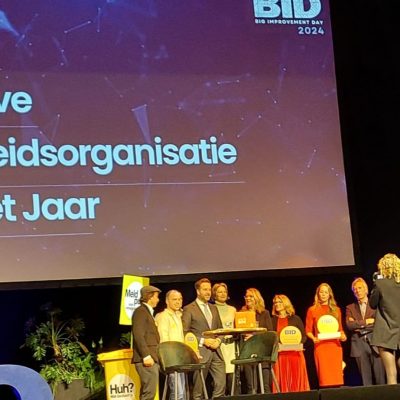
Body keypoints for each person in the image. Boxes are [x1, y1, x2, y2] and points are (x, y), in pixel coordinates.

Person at [182, 278, 226, 399]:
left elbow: (220, 329)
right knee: (198, 389)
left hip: (216, 351)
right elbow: (185, 333)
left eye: (209, 290)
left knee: (221, 384)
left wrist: (218, 340)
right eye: (205, 290)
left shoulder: (213, 308)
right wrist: (203, 341)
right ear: (198, 291)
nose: (208, 292)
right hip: (201, 352)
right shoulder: (189, 308)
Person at [305, 283, 347, 388]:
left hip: (335, 346)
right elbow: (308, 330)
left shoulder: (336, 310)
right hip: (321, 347)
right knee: (324, 379)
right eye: (321, 292)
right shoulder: (312, 310)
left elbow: (340, 329)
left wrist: (343, 336)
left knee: (336, 379)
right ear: (318, 294)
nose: (323, 294)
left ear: (329, 294)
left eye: (326, 292)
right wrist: (313, 338)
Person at [345, 277, 385, 385]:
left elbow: (378, 323)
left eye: (359, 288)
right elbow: (349, 325)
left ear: (366, 289)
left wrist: (358, 324)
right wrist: (367, 321)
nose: (357, 291)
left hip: (375, 342)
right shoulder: (350, 308)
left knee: (380, 378)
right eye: (355, 289)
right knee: (365, 380)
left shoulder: (375, 305)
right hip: (359, 345)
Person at [370, 253, 400, 384]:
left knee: (391, 373)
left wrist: (375, 283)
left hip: (385, 332)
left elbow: (372, 304)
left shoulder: (380, 283)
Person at [271, 294, 310, 392]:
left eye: (279, 302)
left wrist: (297, 344)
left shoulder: (295, 319)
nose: (277, 304)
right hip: (280, 356)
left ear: (286, 303)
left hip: (295, 355)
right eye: (275, 302)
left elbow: (304, 336)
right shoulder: (273, 320)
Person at [131, 285, 161, 400]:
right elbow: (138, 334)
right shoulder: (141, 311)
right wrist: (146, 355)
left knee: (149, 392)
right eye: (156, 297)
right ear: (150, 297)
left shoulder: (147, 312)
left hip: (151, 357)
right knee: (149, 393)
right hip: (147, 359)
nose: (158, 300)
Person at [155, 290, 186, 400]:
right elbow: (164, 340)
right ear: (167, 301)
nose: (178, 302)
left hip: (180, 359)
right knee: (178, 392)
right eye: (174, 299)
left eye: (180, 299)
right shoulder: (163, 316)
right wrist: (168, 359)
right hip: (171, 360)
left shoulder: (179, 316)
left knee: (182, 393)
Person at [241, 288, 273, 394]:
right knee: (251, 387)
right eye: (246, 296)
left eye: (251, 296)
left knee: (265, 386)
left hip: (262, 353)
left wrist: (254, 336)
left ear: (257, 298)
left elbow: (269, 333)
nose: (248, 298)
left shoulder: (264, 313)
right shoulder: (241, 313)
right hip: (247, 353)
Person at [212, 282, 237, 394]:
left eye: (224, 292)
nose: (223, 294)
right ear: (214, 294)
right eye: (220, 292)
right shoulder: (211, 308)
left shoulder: (232, 309)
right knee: (219, 380)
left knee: (232, 378)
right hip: (218, 346)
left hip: (231, 346)